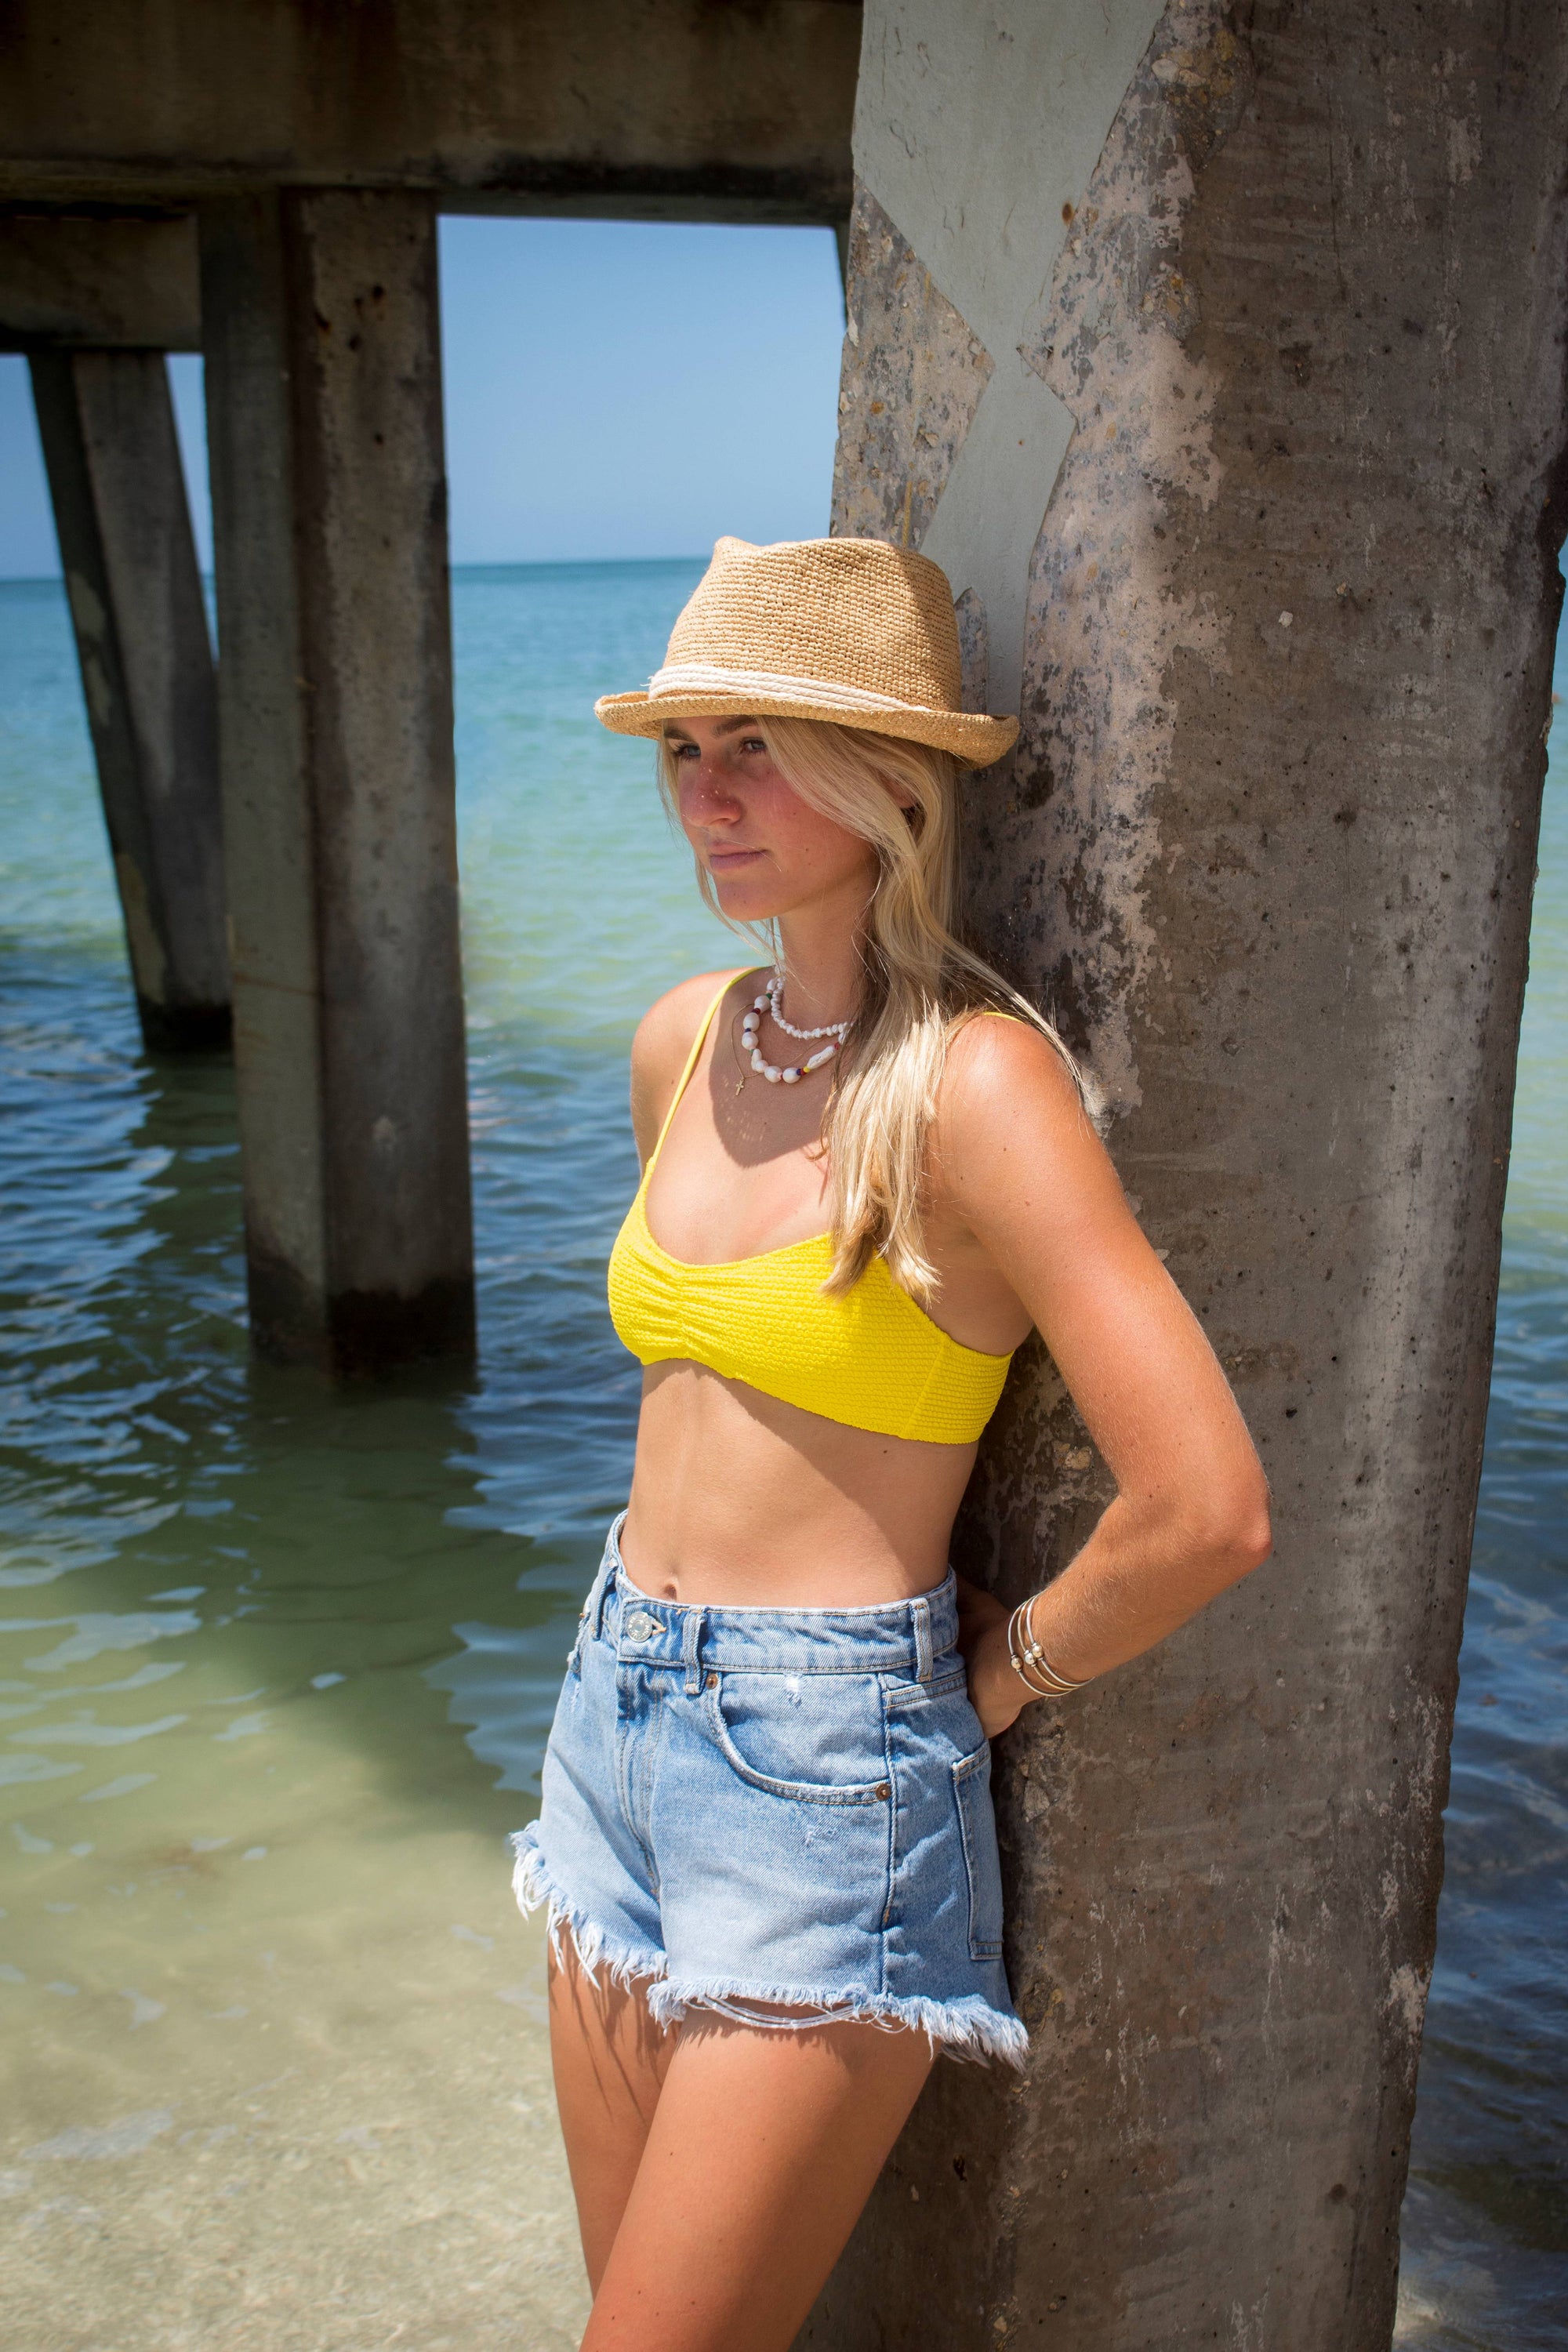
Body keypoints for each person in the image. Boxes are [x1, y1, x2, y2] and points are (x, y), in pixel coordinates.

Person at [512, 535, 1272, 2352]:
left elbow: (1208, 1509)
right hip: (608, 1725)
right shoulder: (681, 1044)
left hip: (825, 1771)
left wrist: (990, 1681)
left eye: (760, 743)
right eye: (685, 748)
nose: (710, 793)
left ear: (890, 779)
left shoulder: (973, 1090)